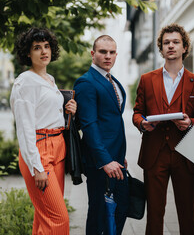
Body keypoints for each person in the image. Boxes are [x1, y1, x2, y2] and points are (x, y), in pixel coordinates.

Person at [132, 23, 194, 235]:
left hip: (186, 154)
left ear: (184, 48)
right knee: (154, 212)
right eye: (166, 43)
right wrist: (142, 123)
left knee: (188, 212)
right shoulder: (147, 79)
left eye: (176, 42)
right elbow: (137, 112)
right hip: (155, 153)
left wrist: (191, 122)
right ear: (161, 48)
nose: (171, 46)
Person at [10, 27, 76, 235]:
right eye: (37, 48)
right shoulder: (25, 83)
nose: (43, 51)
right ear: (28, 53)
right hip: (40, 150)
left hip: (58, 146)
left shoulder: (49, 80)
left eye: (46, 46)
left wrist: (68, 109)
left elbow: (47, 113)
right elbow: (25, 128)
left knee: (44, 217)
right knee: (58, 218)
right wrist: (36, 167)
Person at [74, 35, 128, 235]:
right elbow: (89, 125)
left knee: (117, 211)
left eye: (112, 52)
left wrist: (119, 156)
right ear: (92, 53)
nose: (108, 56)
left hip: (115, 159)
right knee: (98, 213)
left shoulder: (112, 80)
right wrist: (105, 160)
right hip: (100, 162)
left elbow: (111, 121)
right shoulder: (86, 82)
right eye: (103, 52)